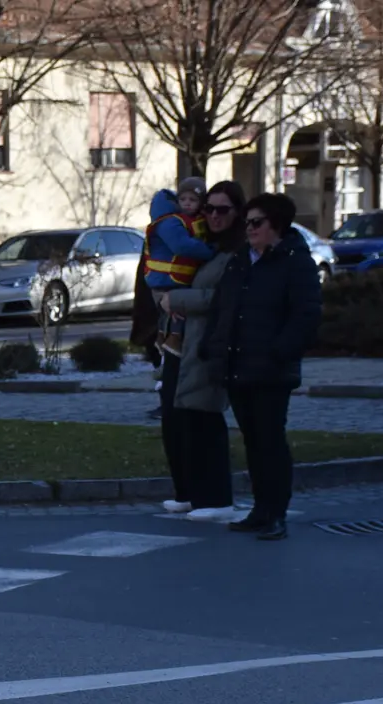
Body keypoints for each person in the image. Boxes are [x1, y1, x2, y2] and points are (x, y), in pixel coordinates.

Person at [205, 192, 322, 542]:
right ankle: (259, 509)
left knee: (271, 441)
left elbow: (306, 315)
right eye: (247, 223)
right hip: (238, 365)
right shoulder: (241, 259)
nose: (250, 229)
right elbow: (223, 307)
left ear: (277, 226)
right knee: (253, 443)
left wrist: (279, 352)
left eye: (257, 223)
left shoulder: (295, 262)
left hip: (271, 369)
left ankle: (277, 513)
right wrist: (213, 347)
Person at [159, 180, 243, 520]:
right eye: (209, 208)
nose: (214, 215)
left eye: (222, 210)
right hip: (181, 343)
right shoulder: (204, 243)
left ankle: (216, 499)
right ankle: (189, 493)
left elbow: (223, 298)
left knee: (204, 419)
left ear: (236, 212)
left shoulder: (234, 252)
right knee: (176, 419)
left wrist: (176, 299)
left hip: (208, 345)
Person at [143, 178, 213, 357]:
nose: (187, 204)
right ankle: (170, 340)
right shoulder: (171, 222)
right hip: (166, 280)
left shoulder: (191, 220)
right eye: (183, 200)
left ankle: (167, 339)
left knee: (173, 312)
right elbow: (183, 246)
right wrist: (210, 251)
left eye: (193, 200)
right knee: (176, 312)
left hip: (175, 278)